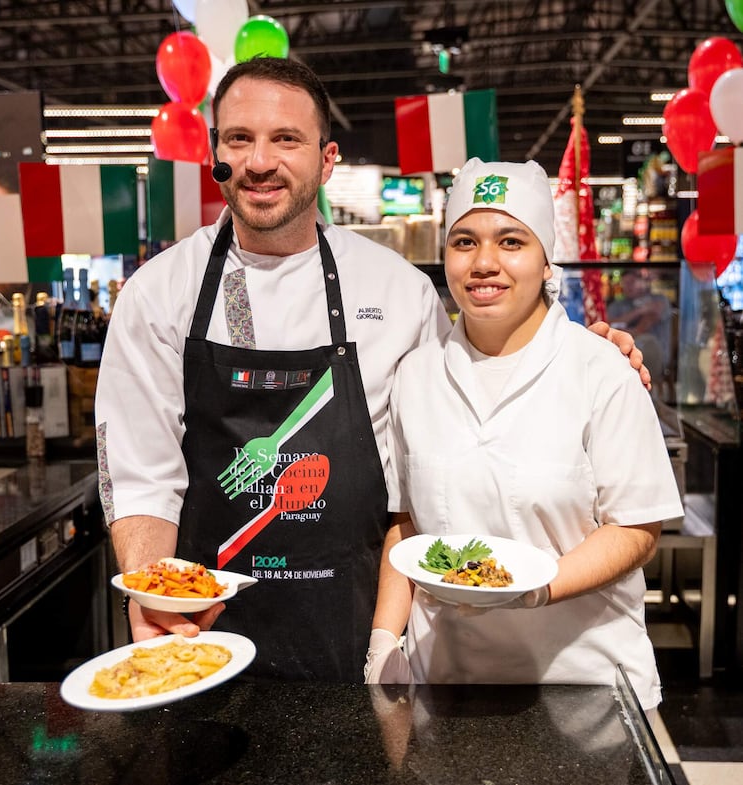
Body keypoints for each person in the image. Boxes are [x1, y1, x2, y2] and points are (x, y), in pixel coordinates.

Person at [95, 57, 649, 683]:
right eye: (239, 139)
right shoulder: (158, 294)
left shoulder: (397, 290)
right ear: (214, 150)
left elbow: (465, 393)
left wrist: (585, 354)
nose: (258, 162)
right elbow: (141, 473)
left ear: (327, 159)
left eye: (286, 140)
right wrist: (158, 594)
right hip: (205, 630)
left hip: (355, 623)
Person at [364, 159, 683, 716]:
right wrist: (384, 641)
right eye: (464, 241)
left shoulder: (600, 369)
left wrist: (538, 587)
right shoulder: (415, 375)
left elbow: (636, 526)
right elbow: (406, 522)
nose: (484, 262)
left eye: (511, 241)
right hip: (446, 677)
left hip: (584, 683)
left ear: (545, 260)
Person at [608, 268, 673, 388]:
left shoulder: (658, 300)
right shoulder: (617, 305)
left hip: (655, 357)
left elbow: (642, 327)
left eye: (632, 282)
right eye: (625, 283)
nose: (628, 287)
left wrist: (623, 329)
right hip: (624, 356)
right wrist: (639, 311)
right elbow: (608, 325)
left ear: (643, 282)